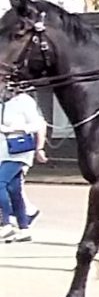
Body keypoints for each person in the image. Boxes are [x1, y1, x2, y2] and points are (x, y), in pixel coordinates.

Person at [0, 83, 45, 242]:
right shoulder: (3, 102)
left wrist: (15, 129)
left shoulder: (24, 101)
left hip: (18, 151)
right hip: (3, 152)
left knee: (0, 184)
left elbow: (37, 124)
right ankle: (24, 228)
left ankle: (6, 225)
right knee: (14, 190)